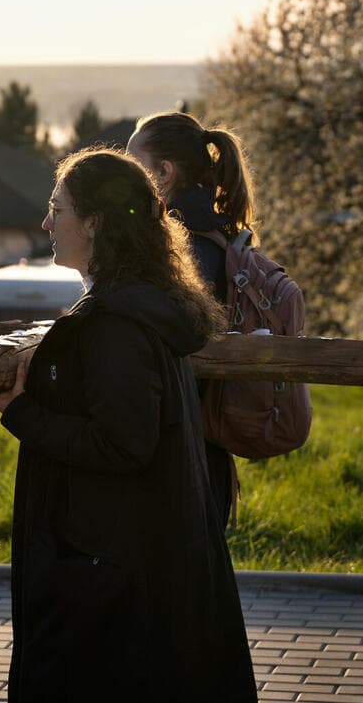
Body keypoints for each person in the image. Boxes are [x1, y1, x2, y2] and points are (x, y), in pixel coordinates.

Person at [0, 148, 257, 702]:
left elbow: (123, 446)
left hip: (109, 576)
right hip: (132, 562)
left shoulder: (117, 326)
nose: (46, 222)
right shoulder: (143, 307)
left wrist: (19, 409)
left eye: (58, 207)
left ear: (96, 223)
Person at [126, 110, 257, 525]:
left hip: (175, 448)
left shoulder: (176, 244)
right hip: (206, 443)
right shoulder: (223, 232)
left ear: (163, 172)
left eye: (134, 166)